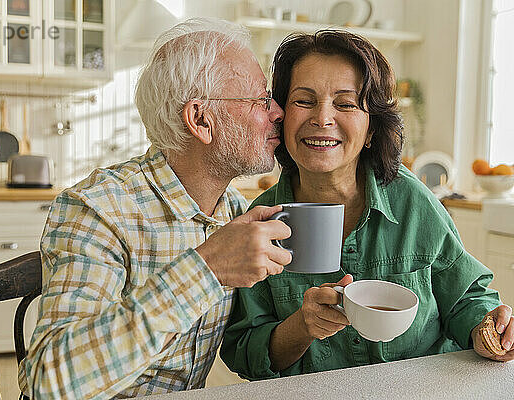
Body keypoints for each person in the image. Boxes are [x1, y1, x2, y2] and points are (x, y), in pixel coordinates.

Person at [17, 18, 292, 399]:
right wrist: (208, 267)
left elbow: (249, 342)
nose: (277, 111)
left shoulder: (233, 211)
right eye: (261, 100)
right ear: (200, 119)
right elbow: (49, 383)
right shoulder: (100, 208)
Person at [220, 30, 514, 380]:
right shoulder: (260, 221)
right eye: (304, 101)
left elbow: (466, 297)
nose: (322, 118)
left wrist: (490, 327)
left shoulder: (411, 200)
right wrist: (302, 326)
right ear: (281, 117)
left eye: (345, 103)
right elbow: (244, 351)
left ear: (372, 128)